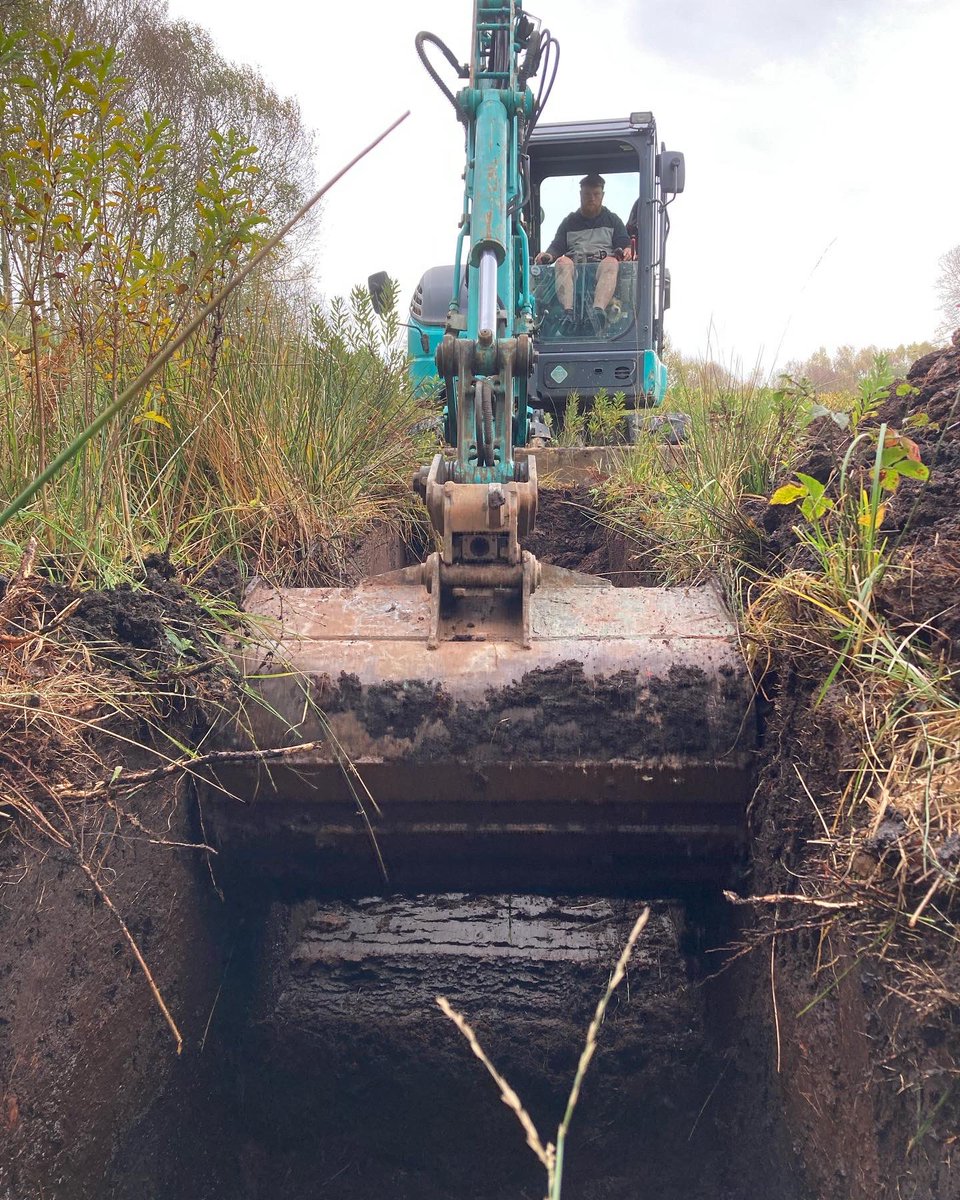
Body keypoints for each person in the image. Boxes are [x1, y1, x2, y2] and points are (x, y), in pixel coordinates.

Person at [535, 174, 633, 331]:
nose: (592, 198)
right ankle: (568, 313)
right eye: (587, 194)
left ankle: (598, 312)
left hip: (601, 269)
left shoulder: (613, 220)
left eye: (596, 194)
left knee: (611, 262)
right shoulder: (569, 222)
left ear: (603, 195)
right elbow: (557, 246)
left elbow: (624, 243)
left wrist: (627, 249)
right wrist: (548, 255)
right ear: (581, 195)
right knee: (562, 262)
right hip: (576, 270)